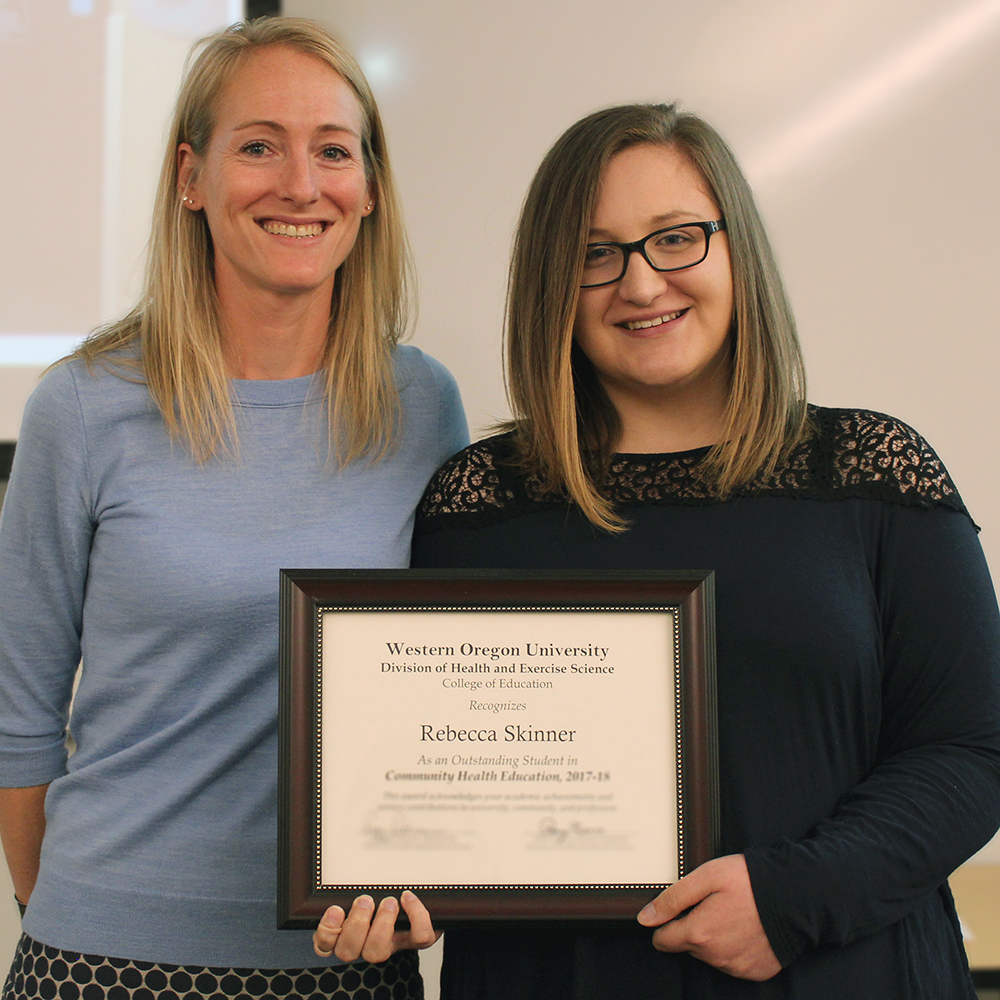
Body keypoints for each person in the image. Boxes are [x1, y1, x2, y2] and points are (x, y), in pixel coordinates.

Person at [404, 104, 1000, 998]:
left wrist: (796, 895)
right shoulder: (482, 504)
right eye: (593, 254)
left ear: (735, 251)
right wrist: (391, 882)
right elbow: (440, 779)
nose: (639, 286)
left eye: (675, 239)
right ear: (549, 288)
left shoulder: (872, 472)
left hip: (842, 970)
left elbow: (975, 746)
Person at [0, 17, 466, 1000]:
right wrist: (72, 917)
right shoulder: (80, 407)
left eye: (333, 150)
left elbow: (453, 691)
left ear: (370, 188)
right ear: (189, 177)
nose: (301, 183)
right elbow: (21, 716)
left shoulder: (426, 406)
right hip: (103, 961)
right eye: (259, 145)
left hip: (348, 963)